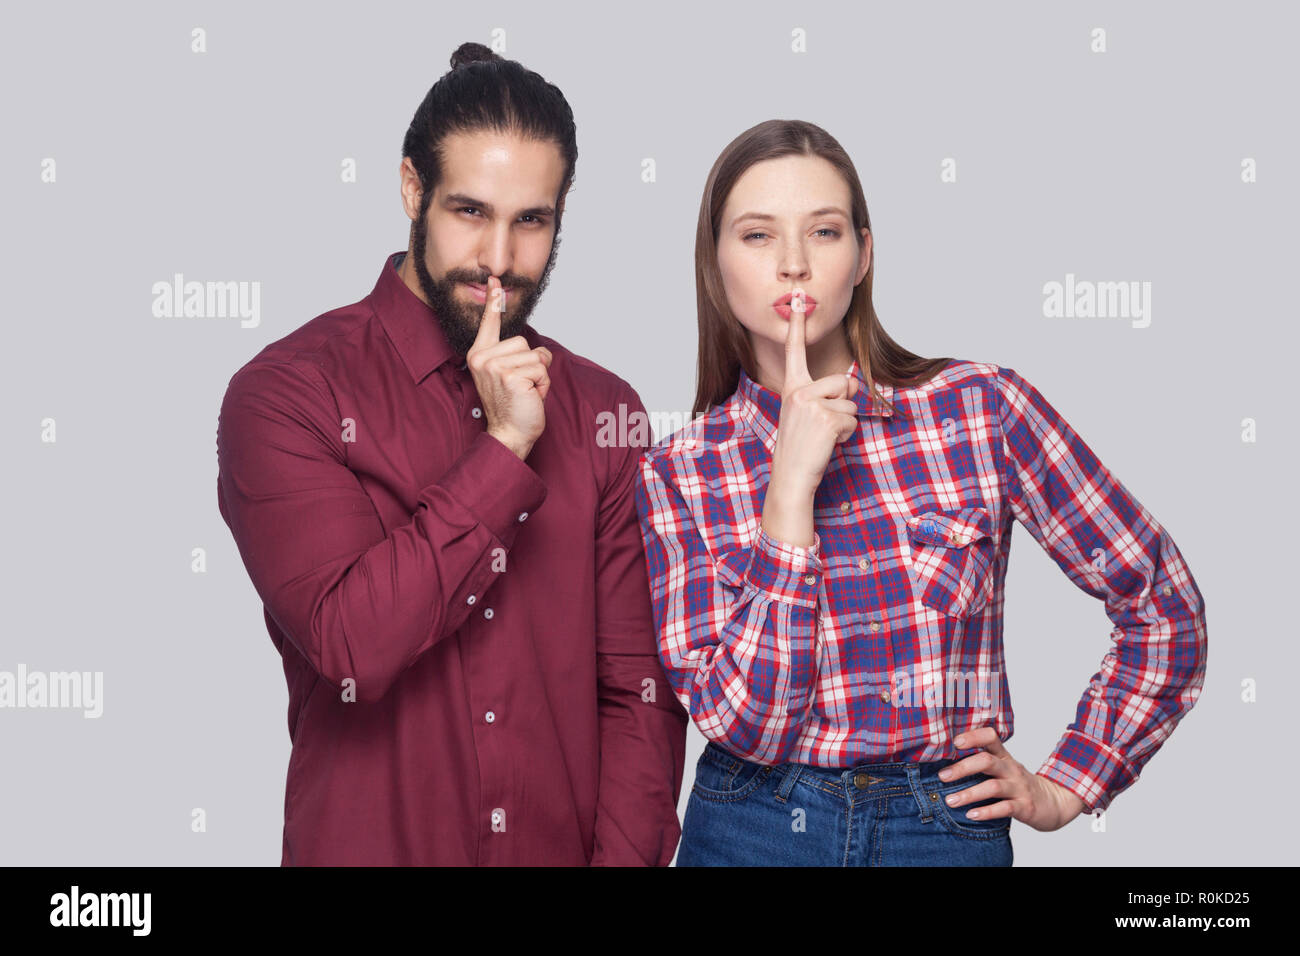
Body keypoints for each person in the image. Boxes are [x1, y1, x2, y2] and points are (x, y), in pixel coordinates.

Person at [633, 119, 1207, 866]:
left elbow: (1165, 607)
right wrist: (788, 497)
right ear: (714, 263)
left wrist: (1069, 783)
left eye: (825, 232)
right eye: (757, 236)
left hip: (940, 829)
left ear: (864, 255)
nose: (795, 266)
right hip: (752, 827)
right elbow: (752, 728)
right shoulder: (678, 470)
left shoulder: (980, 408)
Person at [216, 42, 687, 865]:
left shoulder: (608, 413)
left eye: (531, 221)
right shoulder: (288, 394)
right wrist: (506, 447)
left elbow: (638, 699)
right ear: (412, 188)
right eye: (470, 211)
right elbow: (351, 642)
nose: (499, 262)